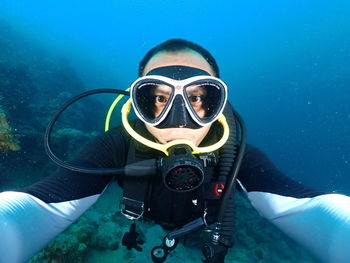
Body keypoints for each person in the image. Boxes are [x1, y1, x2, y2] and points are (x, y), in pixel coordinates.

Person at [0, 39, 350, 263]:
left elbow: (318, 211)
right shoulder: (115, 145)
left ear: (217, 103)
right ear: (138, 102)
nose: (178, 121)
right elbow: (37, 206)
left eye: (197, 98)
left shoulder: (238, 154)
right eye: (159, 99)